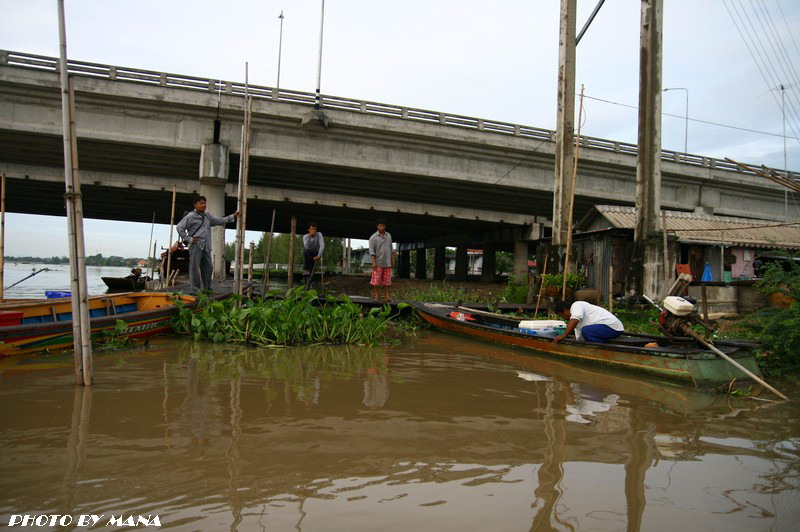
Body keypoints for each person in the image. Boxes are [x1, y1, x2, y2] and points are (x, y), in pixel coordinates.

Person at [176, 195, 239, 294]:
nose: (203, 205)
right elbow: (179, 227)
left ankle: (207, 289)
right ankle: (195, 290)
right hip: (196, 245)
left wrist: (232, 216)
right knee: (194, 268)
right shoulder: (191, 216)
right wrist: (189, 239)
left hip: (206, 246)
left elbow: (219, 221)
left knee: (208, 268)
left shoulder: (207, 216)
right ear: (195, 205)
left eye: (204, 203)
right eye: (201, 203)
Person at [552, 300, 624, 344]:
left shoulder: (576, 305)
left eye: (562, 315)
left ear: (565, 311)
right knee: (585, 332)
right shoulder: (576, 322)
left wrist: (563, 336)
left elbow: (574, 321)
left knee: (586, 331)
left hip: (613, 328)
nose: (563, 318)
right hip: (607, 329)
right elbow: (579, 338)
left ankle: (600, 347)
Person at [368, 218, 396, 302]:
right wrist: (373, 262)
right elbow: (372, 251)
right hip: (378, 263)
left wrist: (392, 260)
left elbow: (391, 249)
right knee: (376, 281)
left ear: (385, 226)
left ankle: (387, 295)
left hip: (387, 263)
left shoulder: (389, 236)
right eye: (380, 225)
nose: (382, 227)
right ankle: (376, 294)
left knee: (387, 281)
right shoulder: (373, 238)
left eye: (383, 225)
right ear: (377, 226)